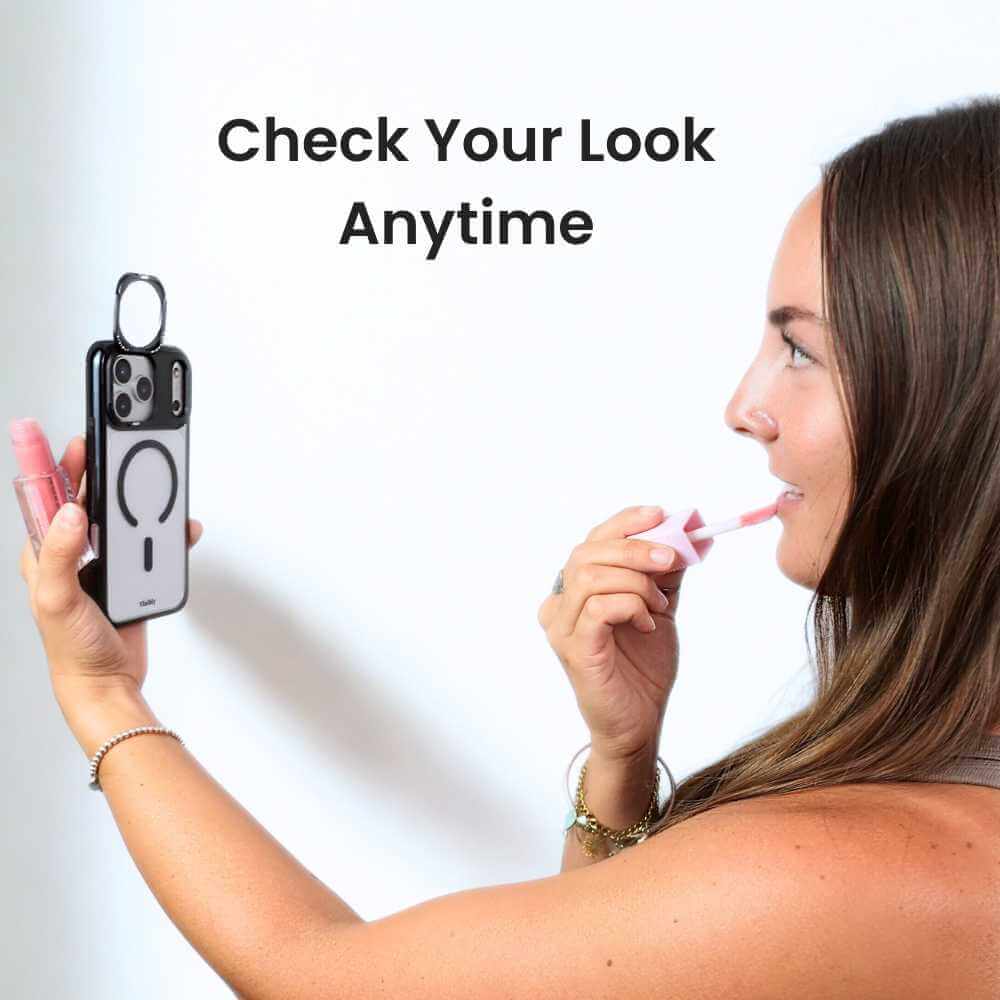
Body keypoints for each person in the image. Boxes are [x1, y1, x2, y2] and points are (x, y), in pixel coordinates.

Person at [17, 95, 1000, 997]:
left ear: (955, 398)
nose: (743, 407)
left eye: (799, 349)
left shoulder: (835, 874)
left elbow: (312, 979)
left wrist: (101, 693)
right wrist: (621, 761)